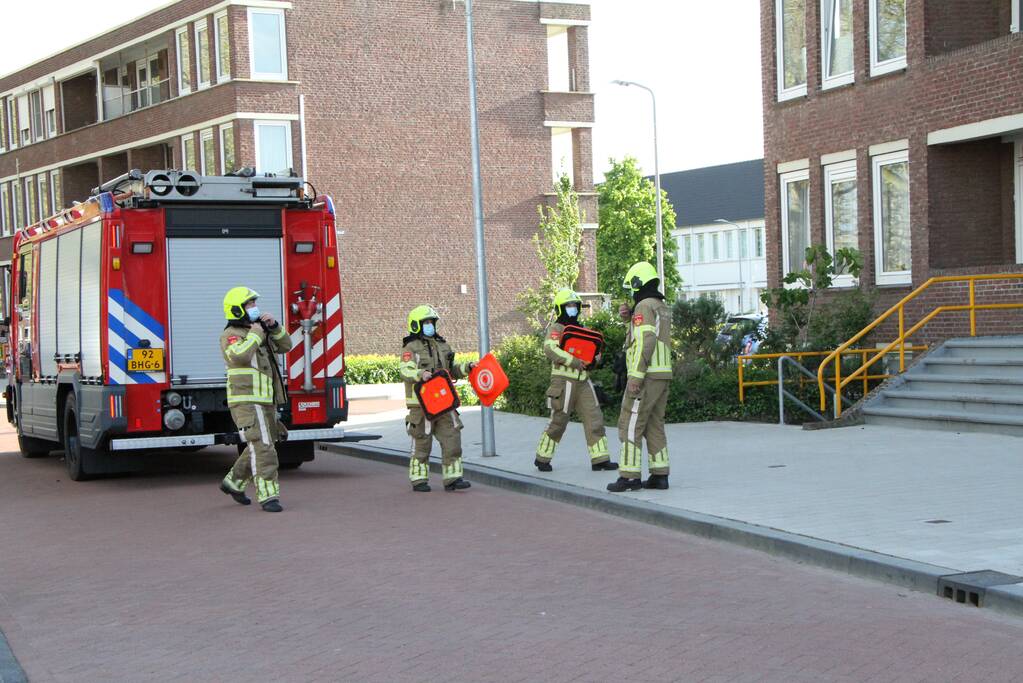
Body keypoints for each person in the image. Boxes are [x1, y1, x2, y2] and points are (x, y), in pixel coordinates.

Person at [218, 286, 294, 512]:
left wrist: (274, 327)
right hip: (247, 402)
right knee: (264, 447)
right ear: (238, 310)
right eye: (250, 304)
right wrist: (255, 334)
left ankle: (234, 483)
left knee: (262, 442)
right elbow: (239, 356)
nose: (254, 308)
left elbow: (285, 346)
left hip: (265, 400)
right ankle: (268, 496)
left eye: (254, 304)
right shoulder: (231, 335)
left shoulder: (259, 331)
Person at [534, 288, 617, 472]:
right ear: (561, 308)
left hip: (583, 381)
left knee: (594, 417)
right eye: (569, 305)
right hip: (563, 382)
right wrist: (574, 361)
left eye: (575, 305)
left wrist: (595, 358)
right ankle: (542, 458)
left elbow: (591, 352)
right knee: (559, 421)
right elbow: (550, 349)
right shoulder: (556, 328)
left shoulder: (582, 329)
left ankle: (600, 459)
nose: (572, 308)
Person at [607, 262, 672, 492]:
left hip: (646, 376)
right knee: (654, 425)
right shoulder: (660, 306)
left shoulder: (643, 306)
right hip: (662, 374)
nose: (632, 293)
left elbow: (645, 341)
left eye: (632, 287)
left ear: (638, 283)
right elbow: (648, 334)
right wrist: (629, 319)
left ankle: (629, 476)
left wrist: (635, 376)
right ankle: (659, 474)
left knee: (630, 424)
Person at [398, 305, 476, 492]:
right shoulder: (411, 348)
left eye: (431, 322)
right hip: (421, 405)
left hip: (444, 402)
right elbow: (404, 369)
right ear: (416, 325)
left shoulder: (443, 345)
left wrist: (468, 367)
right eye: (426, 322)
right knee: (421, 442)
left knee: (452, 437)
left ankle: (453, 478)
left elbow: (451, 370)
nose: (430, 325)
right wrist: (420, 373)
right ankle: (419, 480)